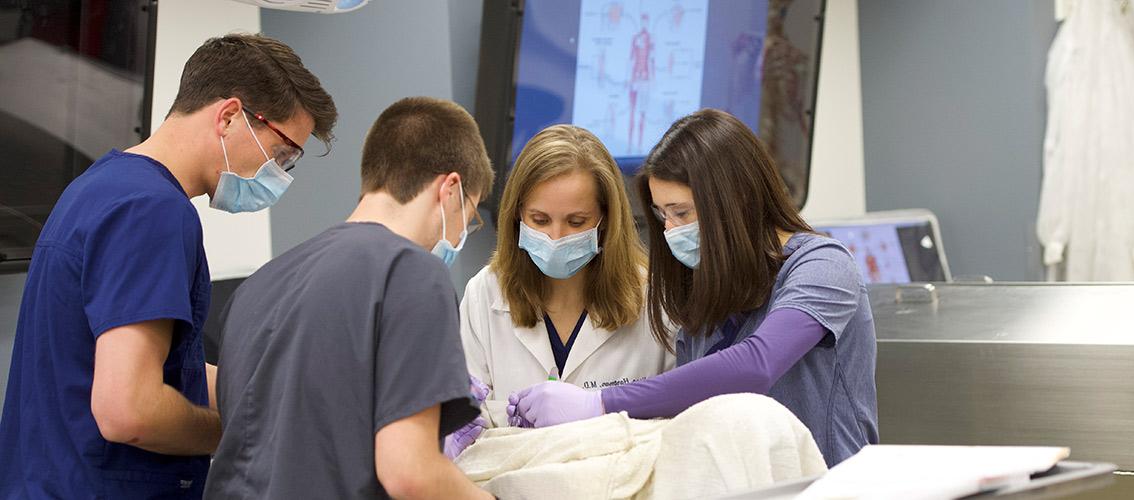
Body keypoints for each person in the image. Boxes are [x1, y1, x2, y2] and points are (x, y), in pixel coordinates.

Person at [0, 34, 336, 498]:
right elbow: (130, 410)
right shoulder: (152, 211)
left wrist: (284, 387)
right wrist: (245, 435)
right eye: (281, 156)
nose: (277, 175)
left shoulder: (103, 186)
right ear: (229, 115)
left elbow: (155, 367)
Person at [508, 108, 879, 467]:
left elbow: (757, 365)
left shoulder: (822, 266)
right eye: (661, 214)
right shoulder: (706, 295)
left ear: (736, 199)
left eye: (682, 213)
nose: (670, 230)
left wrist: (598, 403)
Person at [204, 97, 493, 500]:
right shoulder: (410, 272)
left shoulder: (258, 286)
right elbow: (410, 471)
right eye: (471, 215)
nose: (462, 232)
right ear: (451, 188)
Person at [448, 125, 673, 456]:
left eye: (577, 222)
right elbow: (470, 429)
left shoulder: (654, 299)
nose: (555, 236)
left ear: (606, 220)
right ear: (517, 217)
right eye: (539, 220)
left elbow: (674, 424)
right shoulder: (485, 293)